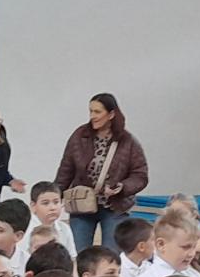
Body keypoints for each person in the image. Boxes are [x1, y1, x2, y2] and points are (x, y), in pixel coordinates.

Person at [54, 93, 149, 251]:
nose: (93, 116)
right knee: (79, 252)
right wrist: (55, 196)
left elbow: (140, 175)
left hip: (115, 207)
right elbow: (66, 169)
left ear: (111, 114)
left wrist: (122, 187)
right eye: (90, 111)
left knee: (110, 255)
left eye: (97, 112)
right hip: (82, 204)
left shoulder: (128, 141)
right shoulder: (80, 136)